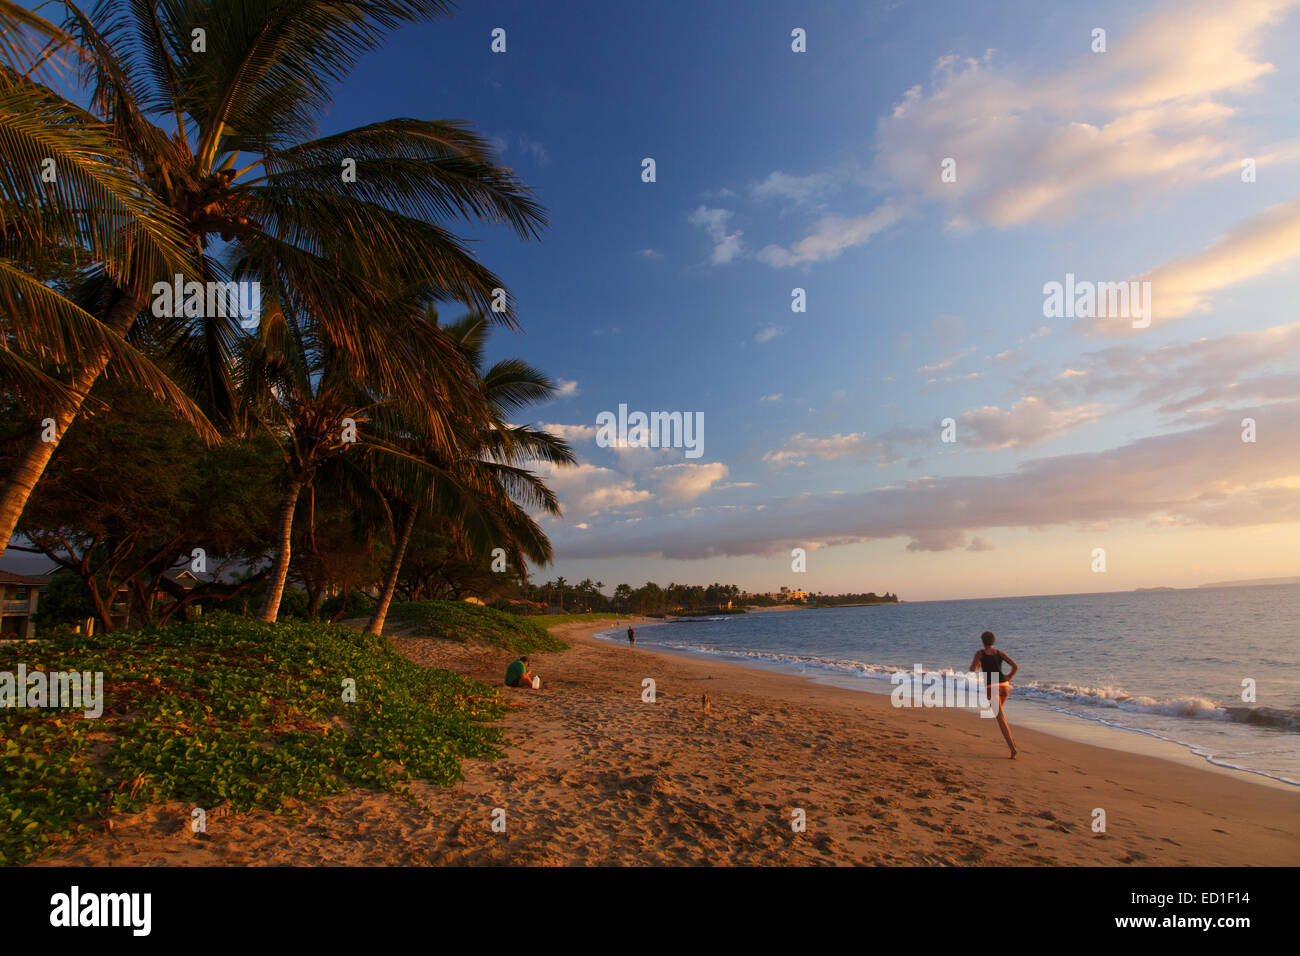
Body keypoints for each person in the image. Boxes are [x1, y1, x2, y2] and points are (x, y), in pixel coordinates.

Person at [969, 630, 1018, 758]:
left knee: (1000, 718)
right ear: (993, 641)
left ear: (982, 641)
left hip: (993, 686)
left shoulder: (980, 653)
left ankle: (1013, 748)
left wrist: (980, 664)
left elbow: (971, 669)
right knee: (1001, 716)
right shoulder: (1000, 653)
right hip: (1004, 685)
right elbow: (1015, 666)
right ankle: (1011, 742)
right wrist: (1009, 677)